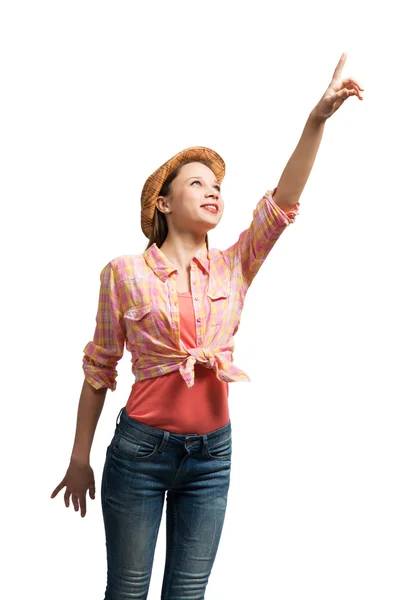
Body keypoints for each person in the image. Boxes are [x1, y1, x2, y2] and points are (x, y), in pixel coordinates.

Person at [51, 52, 363, 599]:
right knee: (126, 591)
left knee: (188, 593)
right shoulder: (123, 274)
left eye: (217, 183)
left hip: (212, 457)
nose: (213, 189)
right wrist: (79, 458)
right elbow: (98, 370)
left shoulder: (233, 265)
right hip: (139, 454)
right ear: (164, 202)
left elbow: (282, 203)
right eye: (198, 183)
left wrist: (317, 120)